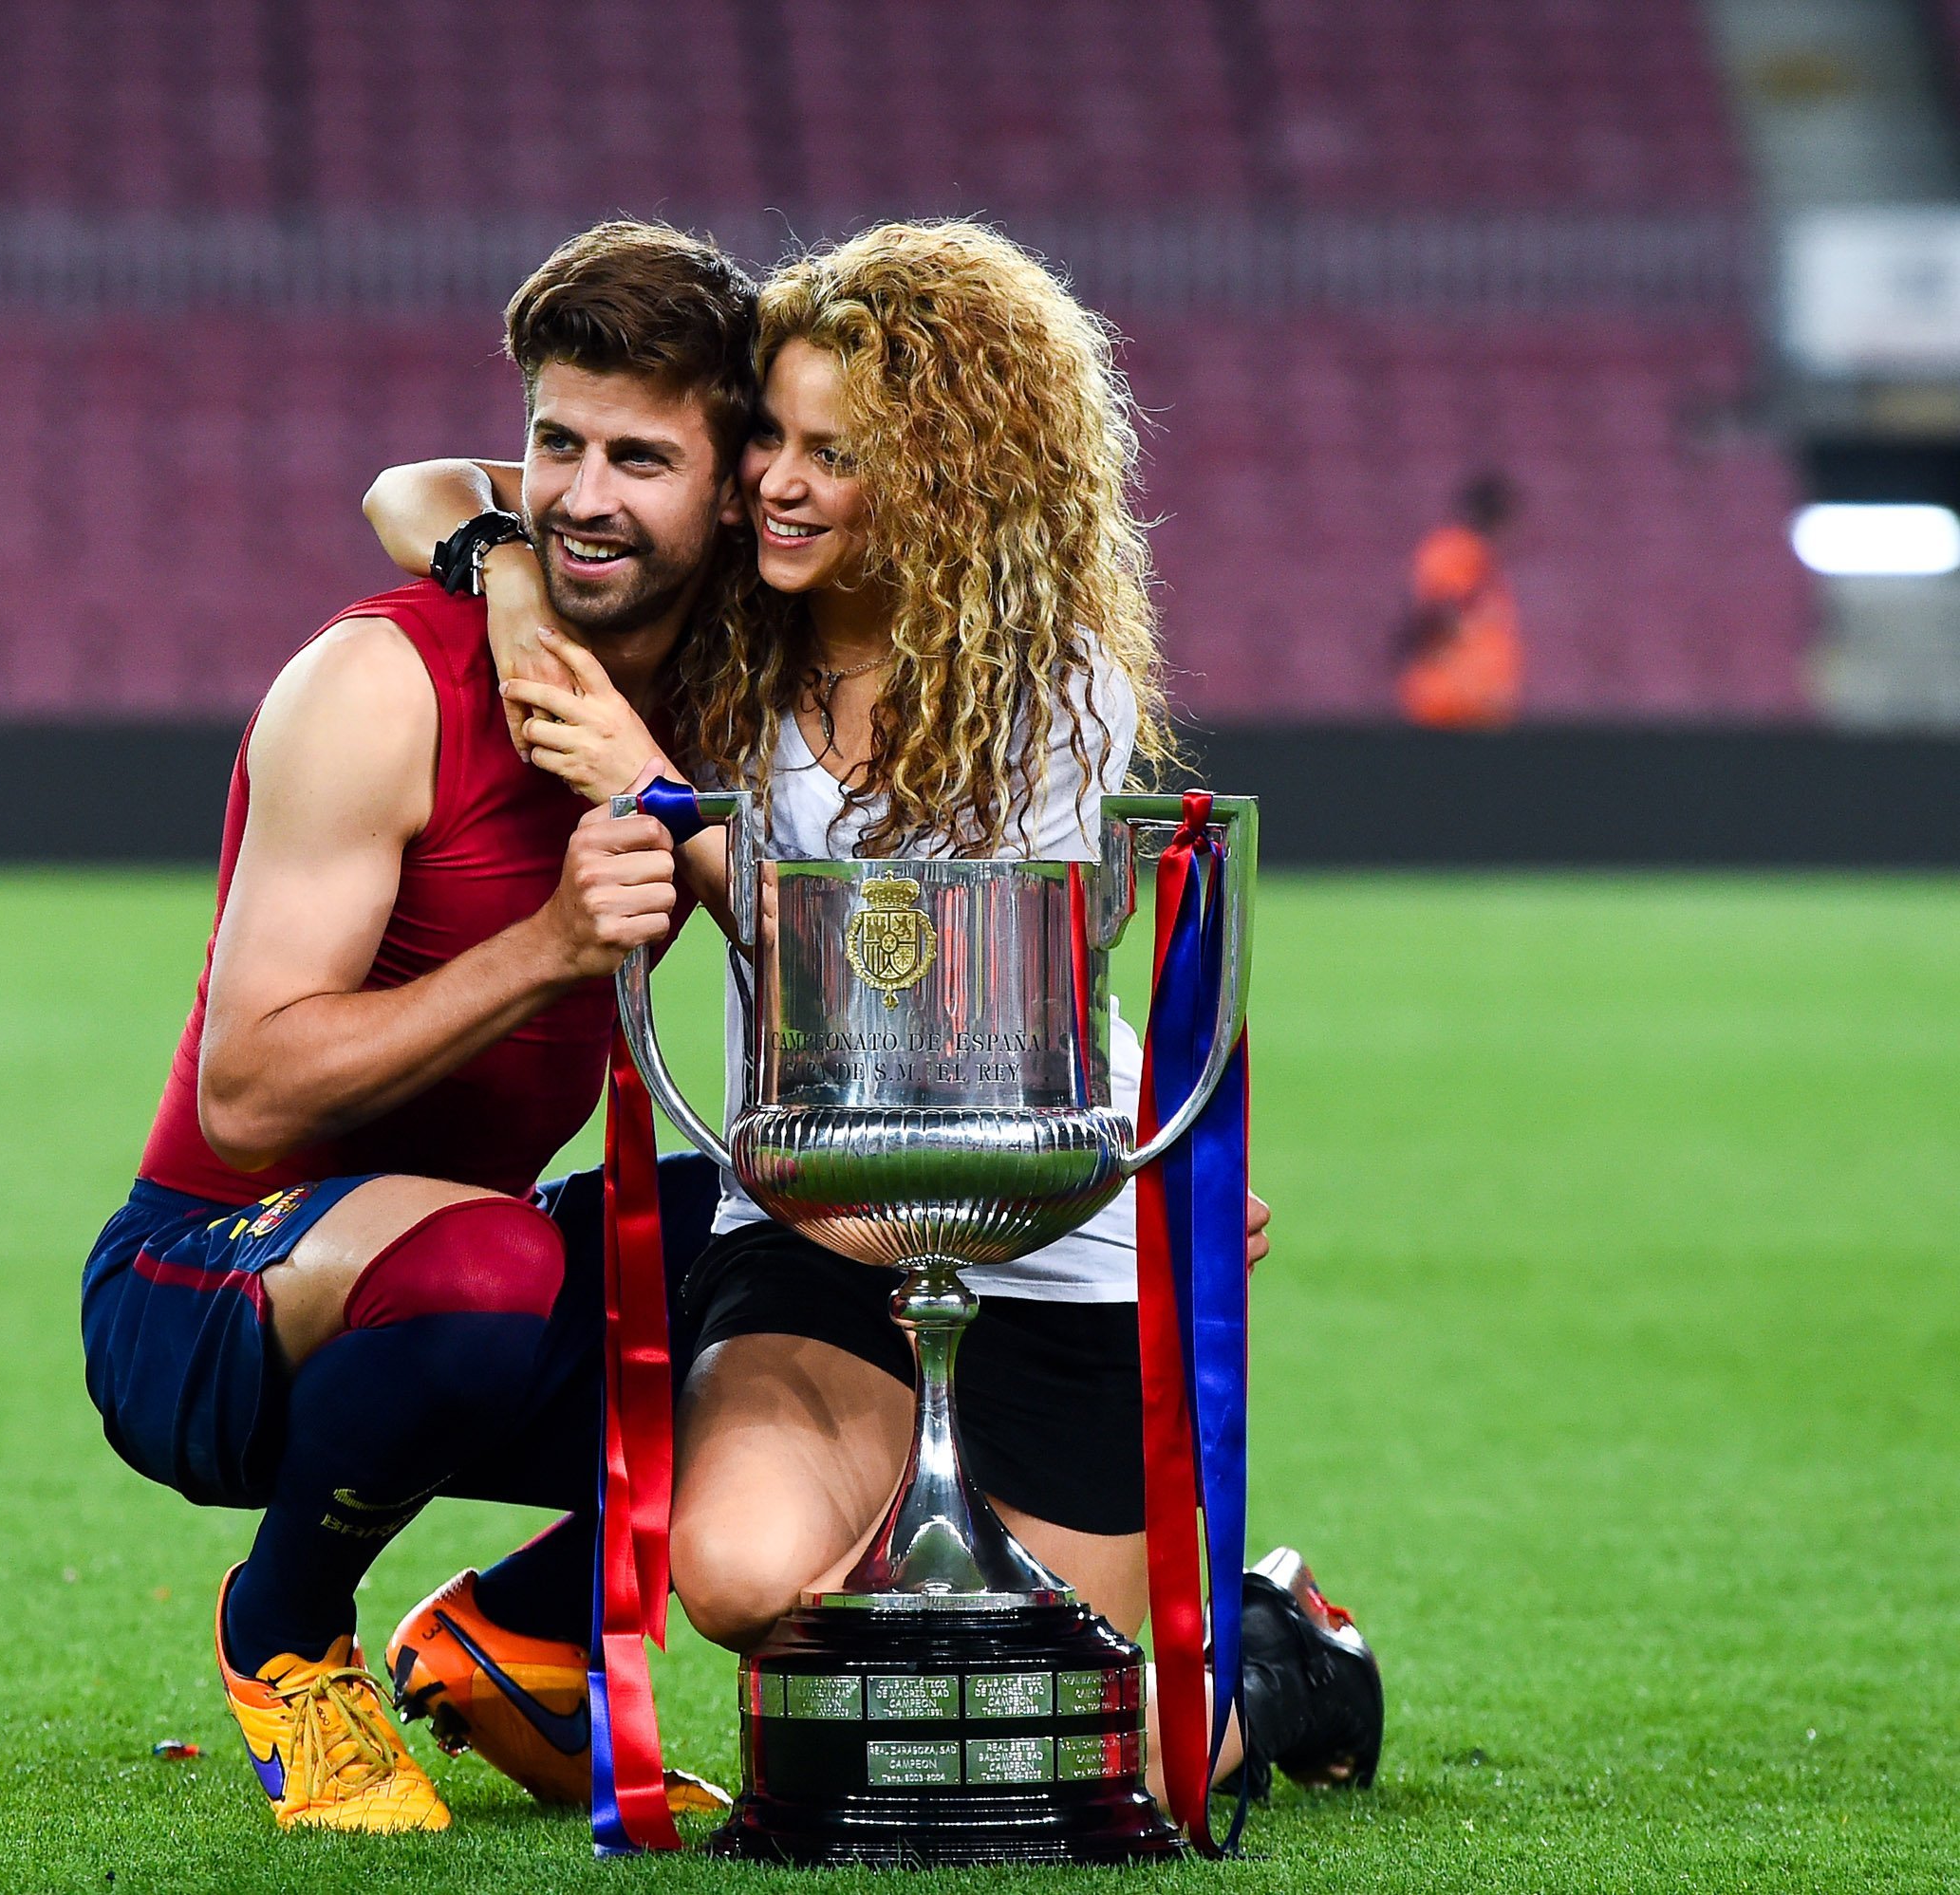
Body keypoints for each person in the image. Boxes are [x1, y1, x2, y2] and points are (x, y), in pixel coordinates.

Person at [364, 219, 1383, 1808]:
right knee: (741, 1575)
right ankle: (632, 1598)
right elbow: (417, 486)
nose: (774, 478)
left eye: (836, 452)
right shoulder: (725, 632)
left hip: (1045, 1224)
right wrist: (503, 588)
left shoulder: (1051, 697)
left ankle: (1278, 1651)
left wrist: (646, 779)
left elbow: (884, 984)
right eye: (768, 430)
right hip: (821, 1216)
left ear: (945, 477)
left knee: (1133, 1758)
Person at [81, 221, 761, 1835]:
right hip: (207, 1288)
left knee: (834, 1270)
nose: (581, 494)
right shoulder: (382, 685)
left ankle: (518, 1635)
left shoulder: (717, 699)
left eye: (640, 457)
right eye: (554, 442)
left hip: (468, 1261)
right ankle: (285, 1636)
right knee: (489, 1267)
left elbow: (859, 975)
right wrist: (541, 948)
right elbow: (246, 1092)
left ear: (733, 487)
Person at [1396, 472, 1523, 729]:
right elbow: (1440, 612)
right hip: (1451, 707)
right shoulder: (1457, 551)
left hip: (1477, 708)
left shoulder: (1480, 559)